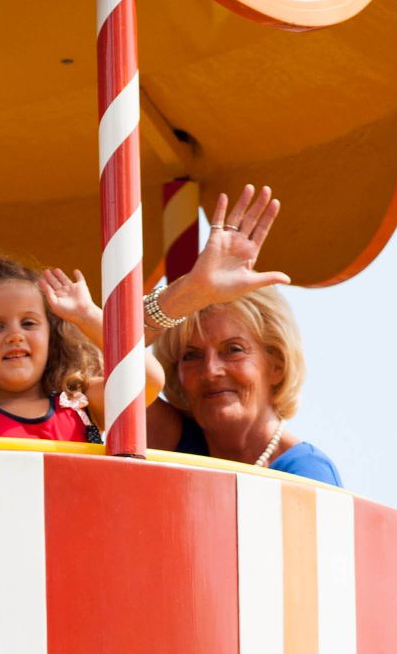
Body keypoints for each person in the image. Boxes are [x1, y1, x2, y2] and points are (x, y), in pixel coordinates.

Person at [143, 185, 342, 485]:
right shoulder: (174, 437)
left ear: (275, 364)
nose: (210, 370)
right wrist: (187, 294)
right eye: (191, 356)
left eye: (233, 350)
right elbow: (88, 360)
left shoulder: (306, 472)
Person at [0, 251, 164, 440]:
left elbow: (149, 380)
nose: (15, 336)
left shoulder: (81, 403)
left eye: (28, 323)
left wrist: (87, 315)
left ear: (52, 335)